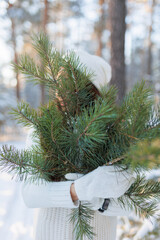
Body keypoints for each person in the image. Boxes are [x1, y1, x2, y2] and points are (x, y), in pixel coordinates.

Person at [21, 50, 136, 240]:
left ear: (91, 91)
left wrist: (99, 199)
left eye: (70, 83)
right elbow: (30, 193)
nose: (61, 90)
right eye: (60, 82)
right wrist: (79, 190)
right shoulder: (44, 130)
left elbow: (131, 203)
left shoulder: (115, 135)